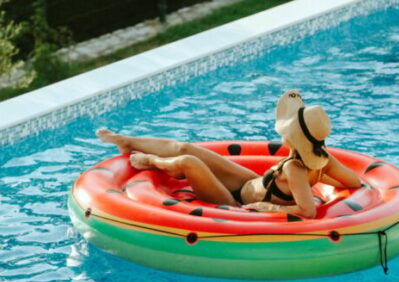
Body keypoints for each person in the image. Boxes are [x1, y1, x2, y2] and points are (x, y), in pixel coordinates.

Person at [95, 90, 362, 219]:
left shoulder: (295, 168)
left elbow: (308, 211)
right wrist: (318, 178)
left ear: (293, 137)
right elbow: (354, 181)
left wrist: (270, 207)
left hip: (235, 203)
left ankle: (151, 160)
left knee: (189, 161)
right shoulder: (323, 159)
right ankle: (127, 141)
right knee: (188, 148)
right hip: (249, 183)